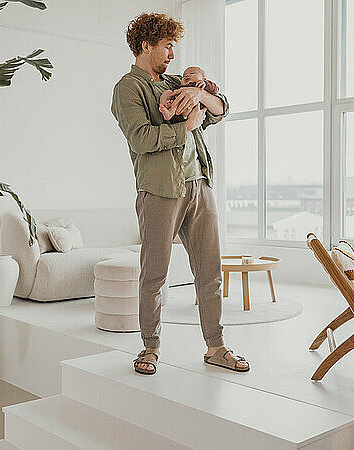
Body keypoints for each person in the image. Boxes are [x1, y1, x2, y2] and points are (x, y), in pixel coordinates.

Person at [110, 13, 250, 375]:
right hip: (160, 190)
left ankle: (216, 347)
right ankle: (150, 348)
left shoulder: (178, 82)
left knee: (210, 271)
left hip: (198, 184)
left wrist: (200, 92)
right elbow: (141, 139)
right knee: (154, 275)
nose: (173, 54)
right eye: (167, 46)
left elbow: (222, 110)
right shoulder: (129, 88)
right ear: (146, 45)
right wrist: (186, 127)